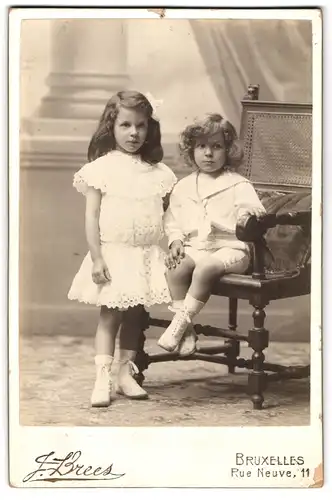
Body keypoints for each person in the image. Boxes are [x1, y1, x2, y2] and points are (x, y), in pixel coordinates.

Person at [68, 91, 177, 407]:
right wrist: (97, 256)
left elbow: (168, 215)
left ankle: (124, 372)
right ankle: (101, 376)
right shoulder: (101, 169)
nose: (133, 133)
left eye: (140, 126)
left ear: (149, 128)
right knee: (111, 315)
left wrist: (173, 241)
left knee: (137, 315)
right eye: (126, 125)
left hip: (144, 254)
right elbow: (92, 216)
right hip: (114, 253)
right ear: (111, 127)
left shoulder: (158, 173)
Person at [158, 113, 266, 356]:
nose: (208, 153)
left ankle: (179, 323)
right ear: (191, 150)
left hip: (232, 248)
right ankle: (186, 331)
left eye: (217, 146)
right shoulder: (184, 186)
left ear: (228, 150)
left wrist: (244, 218)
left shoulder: (238, 184)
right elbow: (173, 219)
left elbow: (256, 213)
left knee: (206, 267)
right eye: (201, 146)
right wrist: (176, 240)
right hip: (198, 246)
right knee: (176, 268)